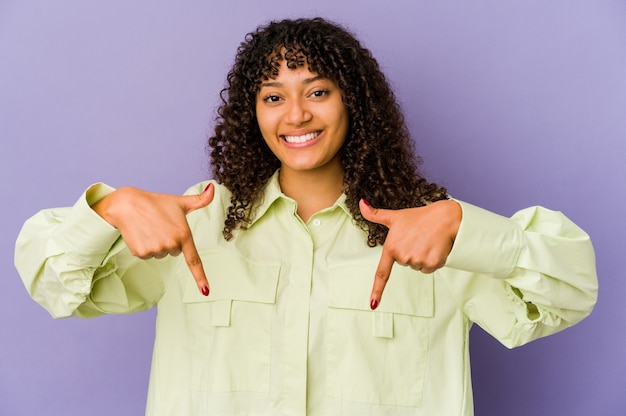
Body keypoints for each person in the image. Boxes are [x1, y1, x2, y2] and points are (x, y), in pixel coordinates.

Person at [15, 17, 597, 416]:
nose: (295, 114)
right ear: (253, 114)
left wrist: (469, 229)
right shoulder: (195, 224)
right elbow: (54, 286)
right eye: (273, 96)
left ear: (355, 103)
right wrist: (108, 209)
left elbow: (571, 292)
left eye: (317, 91)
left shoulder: (430, 233)